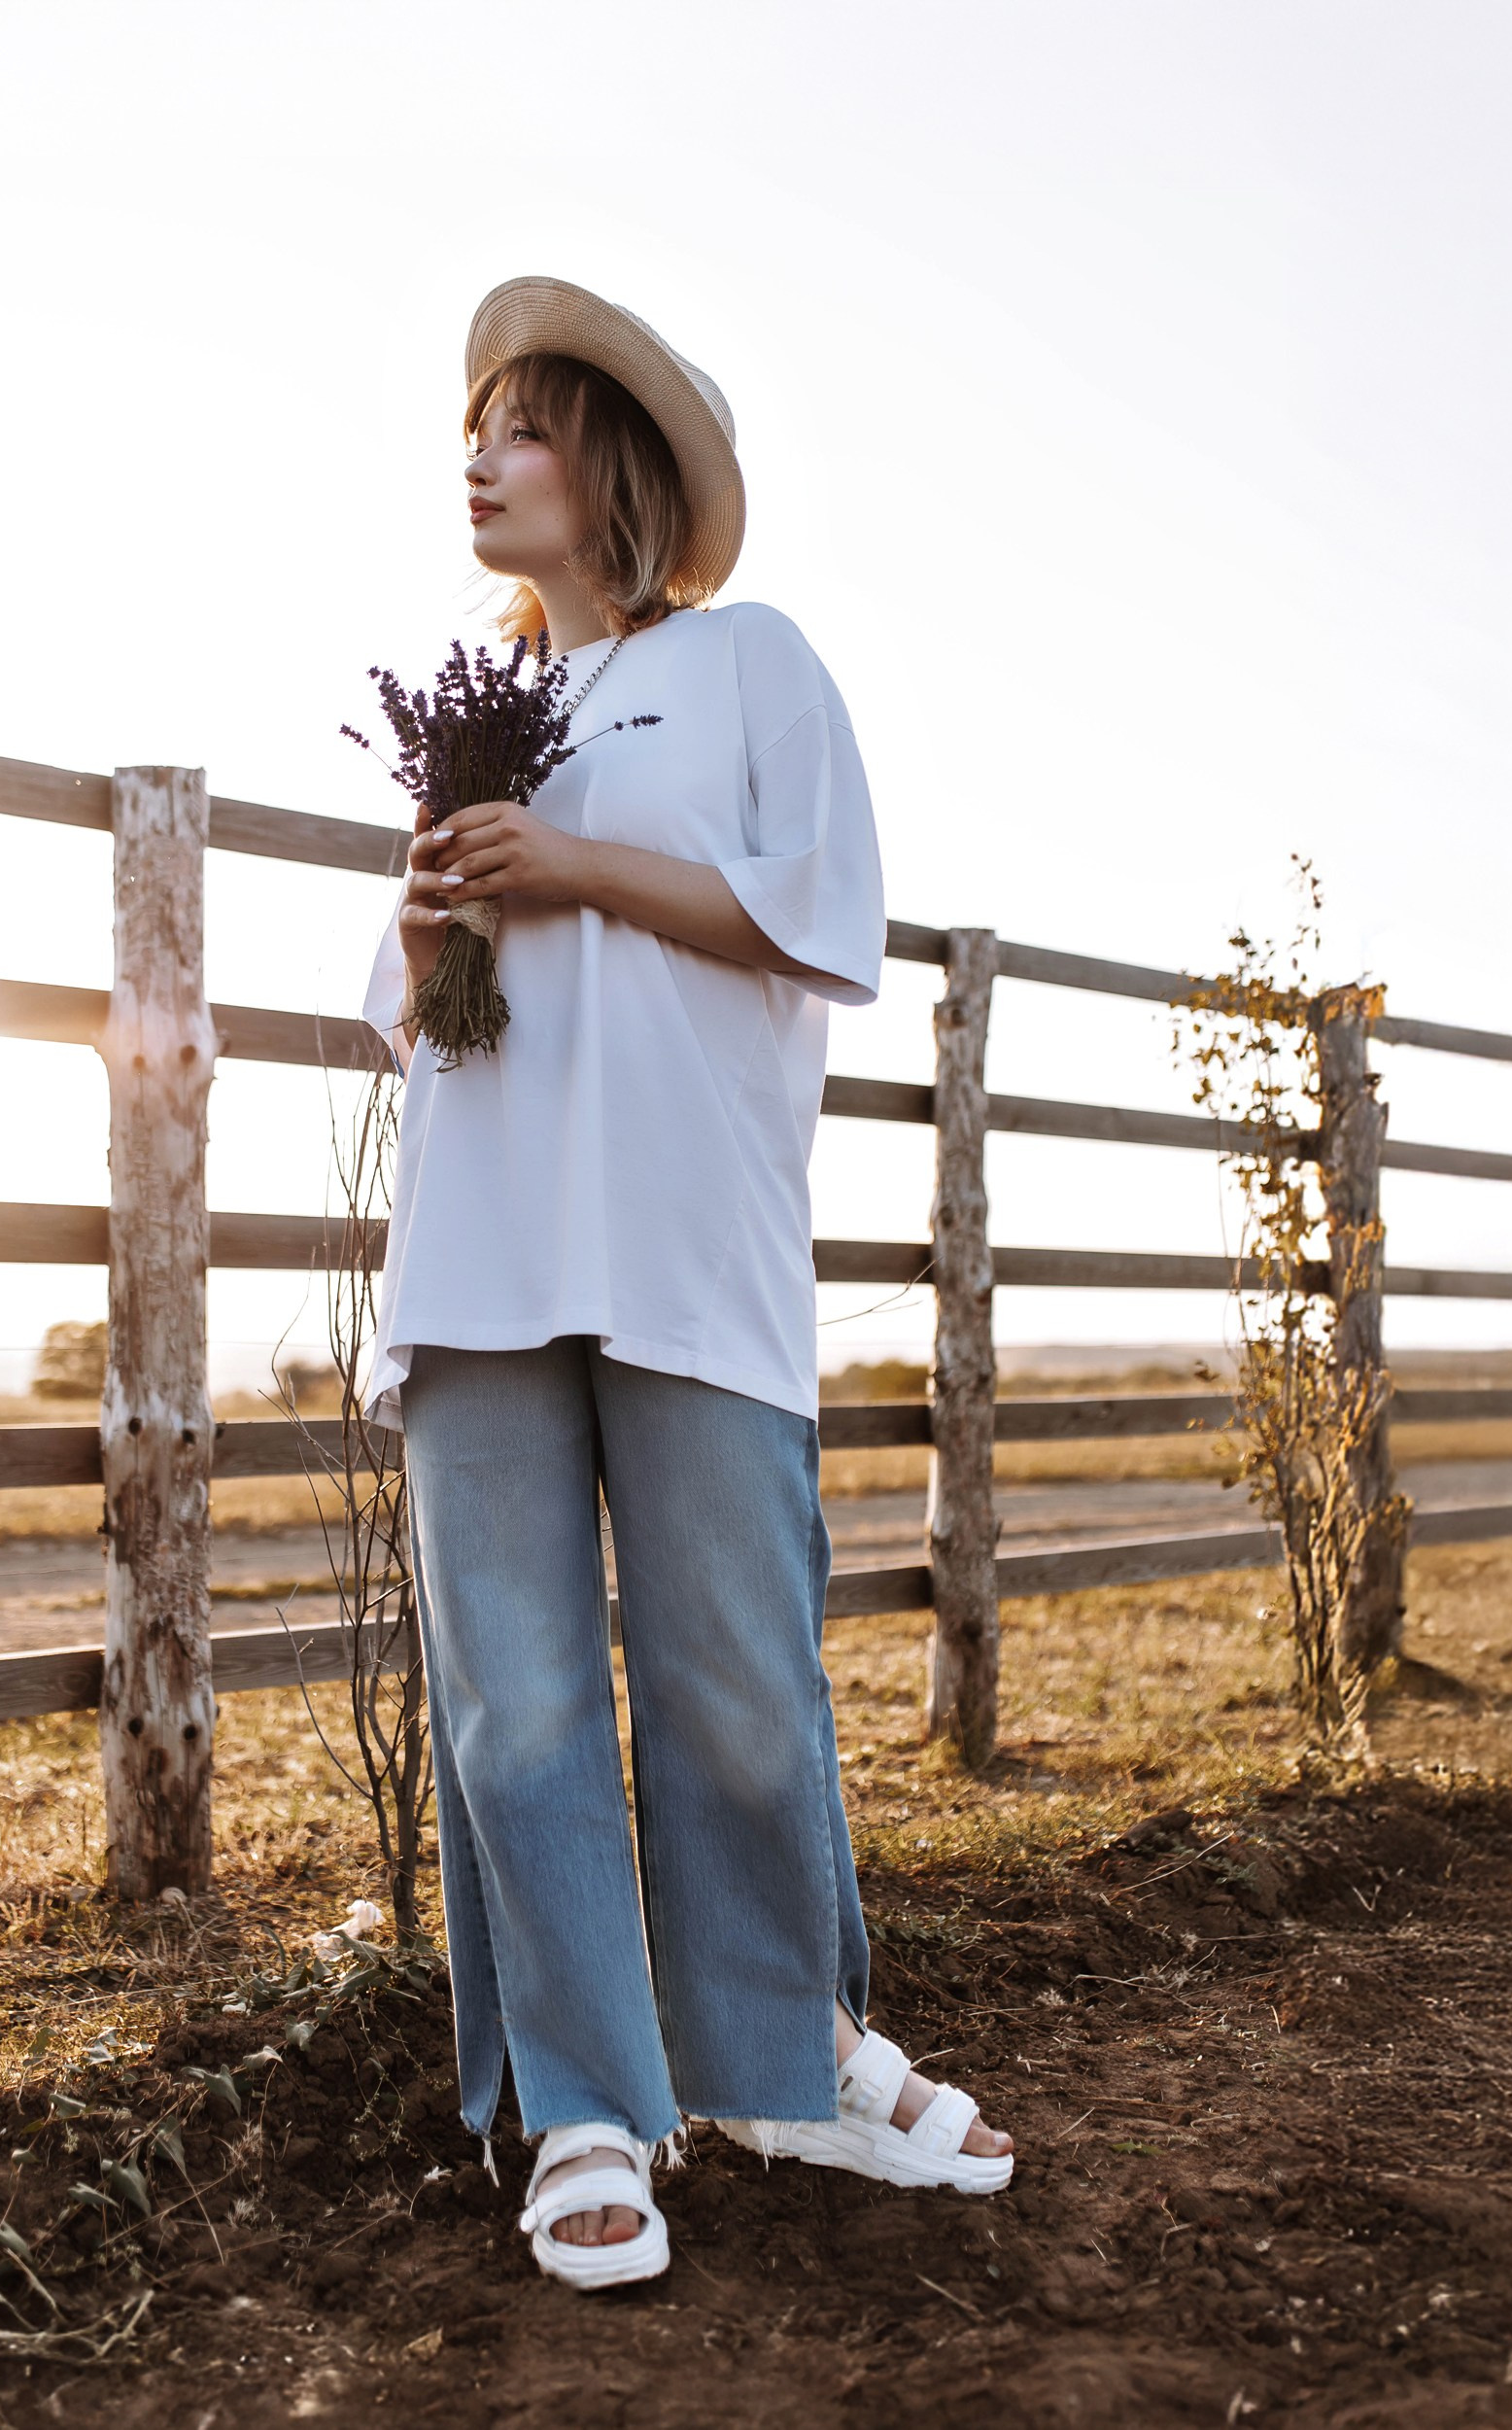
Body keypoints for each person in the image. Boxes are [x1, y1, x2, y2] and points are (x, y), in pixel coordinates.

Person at [359, 276, 1014, 2294]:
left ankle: (779, 2050)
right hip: (483, 1244)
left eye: (524, 425)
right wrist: (442, 891)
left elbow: (819, 919)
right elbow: (411, 1014)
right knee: (522, 1691)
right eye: (471, 426)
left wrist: (567, 868)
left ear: (616, 463)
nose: (478, 457)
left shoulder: (745, 666)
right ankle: (584, 2098)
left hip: (690, 1250)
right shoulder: (484, 699)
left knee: (737, 1677)